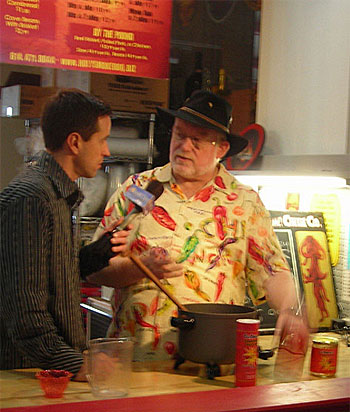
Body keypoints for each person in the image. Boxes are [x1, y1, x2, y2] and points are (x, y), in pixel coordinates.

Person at [93, 90, 309, 362]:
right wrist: (140, 269)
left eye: (197, 141)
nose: (184, 146)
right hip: (133, 361)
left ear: (221, 148)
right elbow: (94, 270)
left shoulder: (245, 203)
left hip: (208, 363)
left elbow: (273, 271)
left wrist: (291, 311)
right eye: (179, 135)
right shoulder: (136, 189)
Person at [0, 89, 131, 381]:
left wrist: (92, 256)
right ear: (75, 142)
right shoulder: (32, 197)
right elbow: (25, 313)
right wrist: (76, 365)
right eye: (102, 140)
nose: (107, 151)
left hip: (49, 373)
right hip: (27, 376)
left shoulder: (58, 196)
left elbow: (48, 279)